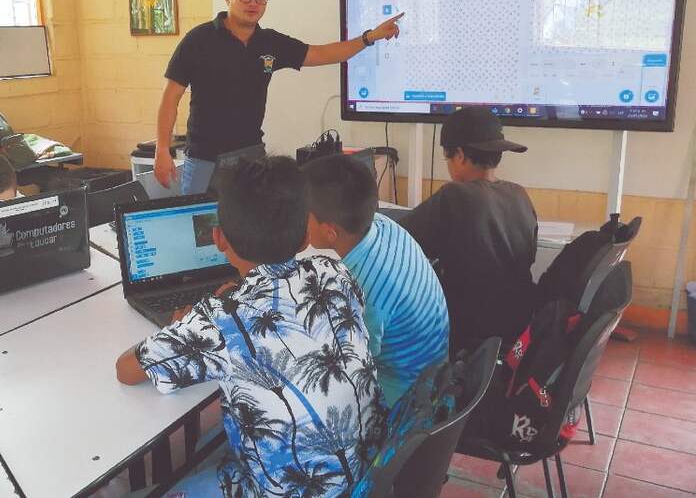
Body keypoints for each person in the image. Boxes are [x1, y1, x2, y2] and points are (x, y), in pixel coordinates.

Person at [116, 156, 386, 497]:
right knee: (209, 442)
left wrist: (186, 327)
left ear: (219, 239)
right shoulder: (334, 272)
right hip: (370, 471)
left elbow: (126, 370)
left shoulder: (220, 320)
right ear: (305, 236)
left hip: (288, 491)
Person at [154, 0, 404, 194]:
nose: (253, 3)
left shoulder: (270, 42)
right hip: (204, 160)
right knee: (200, 228)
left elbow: (324, 53)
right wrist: (162, 149)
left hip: (251, 157)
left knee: (255, 225)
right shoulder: (198, 40)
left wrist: (369, 37)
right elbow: (170, 97)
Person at [303, 154, 449, 407]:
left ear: (330, 231)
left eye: (303, 214)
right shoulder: (384, 225)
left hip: (406, 401)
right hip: (434, 370)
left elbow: (348, 367)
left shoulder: (363, 294)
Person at [399, 106, 538, 352]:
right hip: (517, 326)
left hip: (467, 332)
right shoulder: (519, 194)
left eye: (447, 158)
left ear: (460, 156)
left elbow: (399, 241)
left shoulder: (455, 196)